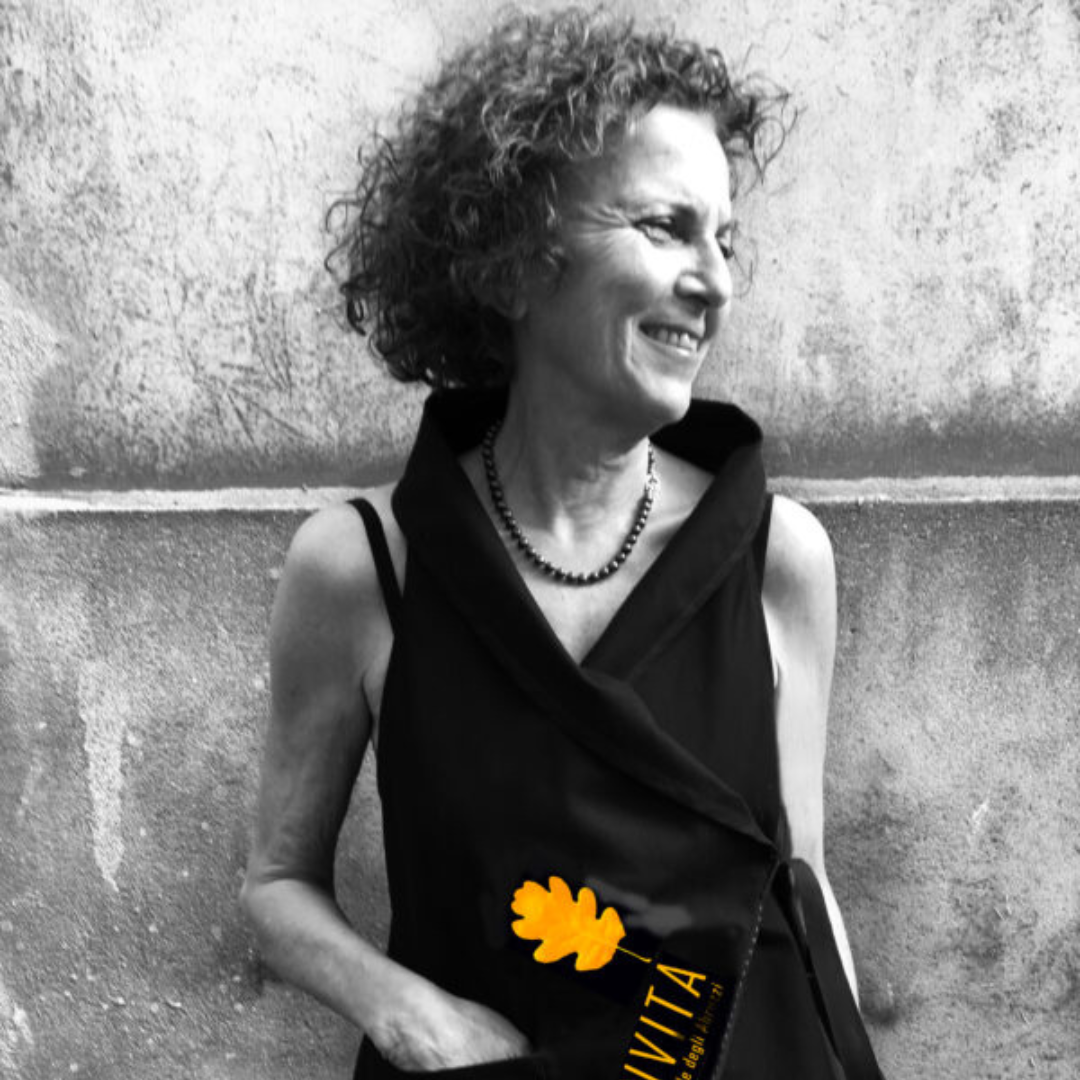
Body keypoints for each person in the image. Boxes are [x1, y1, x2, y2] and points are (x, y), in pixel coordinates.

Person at [241, 8, 886, 1078]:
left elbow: (801, 890)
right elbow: (275, 887)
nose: (717, 282)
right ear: (511, 266)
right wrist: (406, 1012)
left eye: (725, 241)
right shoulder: (366, 567)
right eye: (666, 228)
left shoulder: (778, 557)